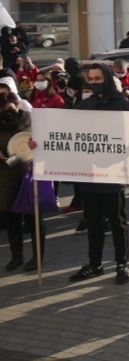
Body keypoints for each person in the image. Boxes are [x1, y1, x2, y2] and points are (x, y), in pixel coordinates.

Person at [66, 63, 129, 284]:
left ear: (107, 78)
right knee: (94, 222)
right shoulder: (85, 105)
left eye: (99, 78)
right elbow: (70, 134)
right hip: (90, 174)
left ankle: (121, 264)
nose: (95, 83)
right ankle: (95, 264)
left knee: (117, 222)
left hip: (113, 173)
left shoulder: (122, 105)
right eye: (92, 79)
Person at [0, 92, 42, 272]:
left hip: (29, 175)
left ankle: (37, 257)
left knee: (34, 220)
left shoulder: (31, 120)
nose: (7, 110)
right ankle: (16, 256)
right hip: (6, 178)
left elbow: (44, 143)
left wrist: (36, 146)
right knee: (12, 219)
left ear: (18, 104)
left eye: (11, 105)